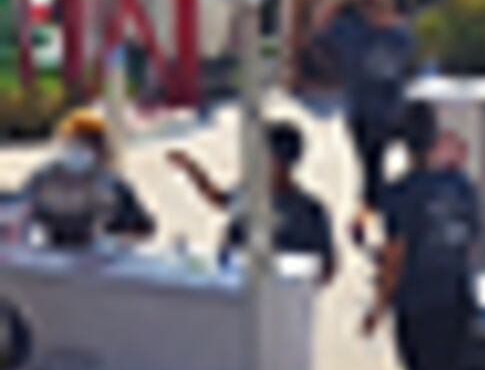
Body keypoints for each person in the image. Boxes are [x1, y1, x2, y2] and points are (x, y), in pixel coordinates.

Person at [366, 119, 482, 370]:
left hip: (419, 303)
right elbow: (472, 237)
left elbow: (394, 255)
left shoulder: (400, 193)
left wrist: (379, 306)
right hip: (458, 294)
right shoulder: (460, 185)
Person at [301, 0, 420, 240]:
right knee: (372, 176)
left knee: (405, 167)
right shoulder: (359, 32)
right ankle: (368, 219)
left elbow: (318, 23)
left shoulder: (391, 33)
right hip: (369, 115)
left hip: (388, 113)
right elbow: (318, 26)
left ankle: (382, 215)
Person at [168, 121, 337, 284]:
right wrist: (192, 169)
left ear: (282, 162)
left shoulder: (309, 211)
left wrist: (293, 285)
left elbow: (327, 269)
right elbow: (218, 199)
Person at [22, 109, 156, 249]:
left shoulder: (113, 185)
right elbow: (18, 213)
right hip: (51, 258)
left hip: (100, 262)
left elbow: (143, 227)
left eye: (86, 145)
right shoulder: (44, 179)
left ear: (101, 150)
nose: (77, 150)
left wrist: (115, 238)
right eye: (71, 144)